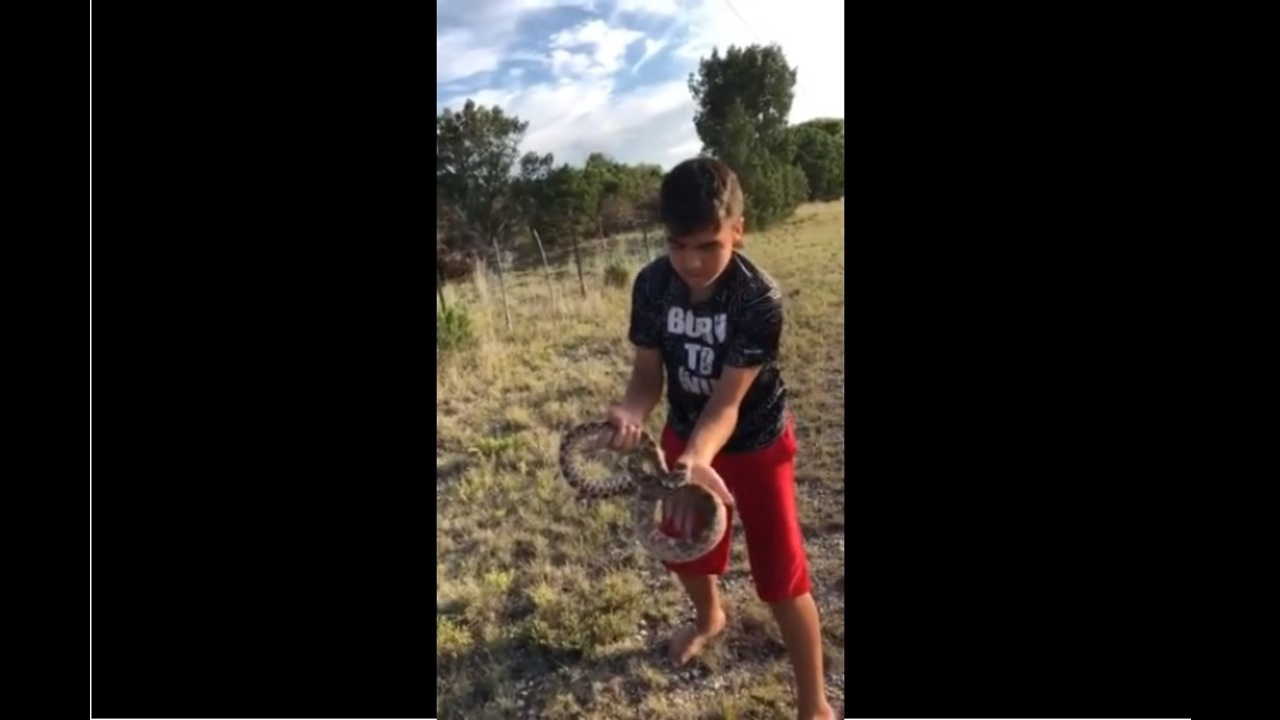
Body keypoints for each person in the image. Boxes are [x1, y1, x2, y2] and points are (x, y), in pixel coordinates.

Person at [605, 157, 835, 720]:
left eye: (708, 245)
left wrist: (695, 460)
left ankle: (815, 705)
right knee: (683, 547)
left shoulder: (758, 299)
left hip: (756, 444)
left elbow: (728, 402)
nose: (690, 262)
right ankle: (710, 617)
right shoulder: (653, 285)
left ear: (738, 227)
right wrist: (631, 412)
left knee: (782, 578)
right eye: (677, 244)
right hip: (685, 440)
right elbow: (647, 376)